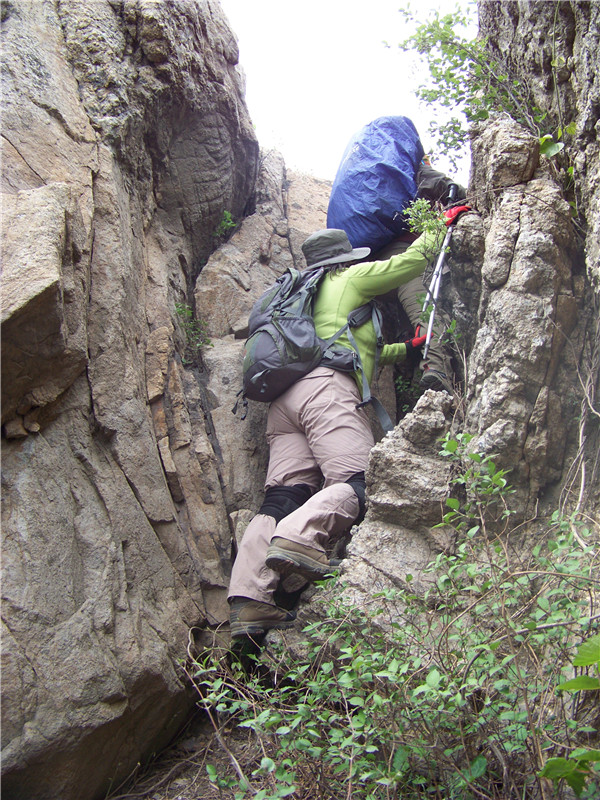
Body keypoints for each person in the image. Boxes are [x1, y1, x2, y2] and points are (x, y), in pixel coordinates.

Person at [228, 206, 470, 643]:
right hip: (325, 391)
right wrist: (440, 225)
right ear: (345, 259)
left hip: (283, 404)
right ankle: (298, 539)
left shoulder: (299, 296)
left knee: (282, 496)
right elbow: (409, 264)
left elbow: (359, 349)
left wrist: (406, 350)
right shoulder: (349, 279)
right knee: (359, 480)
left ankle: (248, 599)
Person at [374, 157, 467, 394]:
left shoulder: (371, 178)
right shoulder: (412, 168)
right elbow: (451, 190)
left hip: (368, 266)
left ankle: (407, 372)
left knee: (407, 318)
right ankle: (434, 368)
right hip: (403, 258)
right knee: (425, 309)